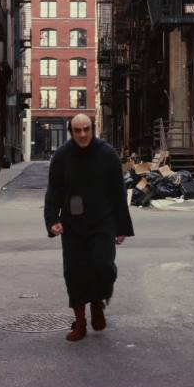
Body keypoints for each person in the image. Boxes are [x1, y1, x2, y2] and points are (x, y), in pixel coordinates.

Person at [44, 114, 135, 342]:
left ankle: (97, 302)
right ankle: (80, 322)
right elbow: (54, 190)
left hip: (103, 223)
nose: (82, 134)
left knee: (103, 266)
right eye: (77, 130)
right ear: (71, 131)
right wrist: (52, 219)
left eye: (86, 129)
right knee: (74, 273)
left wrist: (121, 226)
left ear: (92, 129)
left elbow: (119, 192)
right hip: (72, 225)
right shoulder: (62, 156)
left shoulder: (107, 154)